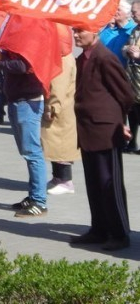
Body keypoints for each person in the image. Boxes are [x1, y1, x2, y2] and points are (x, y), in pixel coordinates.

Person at [70, 26, 135, 251]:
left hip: (106, 130)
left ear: (95, 33)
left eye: (80, 31)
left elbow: (125, 93)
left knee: (110, 184)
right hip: (88, 130)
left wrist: (121, 123)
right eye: (74, 31)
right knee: (94, 184)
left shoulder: (104, 57)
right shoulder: (84, 58)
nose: (76, 35)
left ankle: (119, 234)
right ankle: (99, 229)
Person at [0, 46, 48, 217]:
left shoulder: (29, 35)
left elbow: (23, 65)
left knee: (32, 152)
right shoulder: (16, 36)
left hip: (28, 100)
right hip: (16, 98)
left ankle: (39, 201)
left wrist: (0, 62)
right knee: (26, 151)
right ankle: (33, 195)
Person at [43, 29, 79, 196]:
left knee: (61, 146)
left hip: (61, 110)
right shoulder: (61, 57)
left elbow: (58, 87)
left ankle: (65, 180)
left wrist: (52, 107)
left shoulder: (63, 59)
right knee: (54, 145)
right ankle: (57, 177)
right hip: (60, 108)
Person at [122, 0, 140, 152]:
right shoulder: (135, 30)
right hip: (133, 79)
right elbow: (126, 47)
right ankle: (132, 142)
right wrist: (127, 49)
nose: (132, 15)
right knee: (133, 111)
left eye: (134, 12)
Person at [99, 0, 135, 66]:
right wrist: (110, 27)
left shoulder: (133, 30)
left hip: (125, 71)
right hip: (106, 68)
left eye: (118, 9)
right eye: (114, 9)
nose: (114, 11)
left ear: (127, 13)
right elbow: (100, 42)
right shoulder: (110, 28)